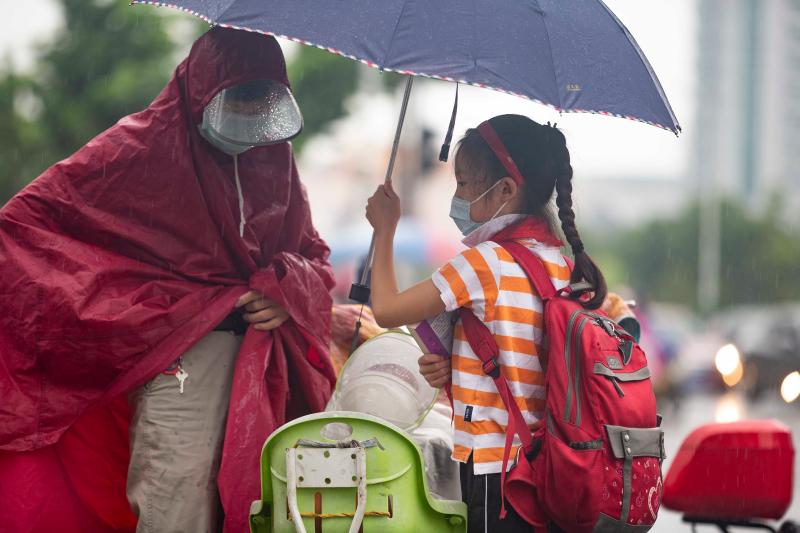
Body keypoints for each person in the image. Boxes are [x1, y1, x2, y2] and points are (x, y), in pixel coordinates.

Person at [0, 28, 335, 533]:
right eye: (238, 94)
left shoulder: (274, 159)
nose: (249, 110)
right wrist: (148, 308)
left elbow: (312, 254)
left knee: (257, 507)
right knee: (175, 505)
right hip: (179, 361)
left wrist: (286, 292)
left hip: (261, 364)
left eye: (261, 95)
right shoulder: (138, 147)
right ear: (203, 86)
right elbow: (27, 225)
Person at [365, 114, 610, 532]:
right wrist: (457, 368)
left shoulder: (483, 263)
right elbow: (528, 365)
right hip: (549, 464)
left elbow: (386, 309)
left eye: (463, 183)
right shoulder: (561, 265)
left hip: (495, 466)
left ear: (506, 190)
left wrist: (385, 229)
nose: (457, 196)